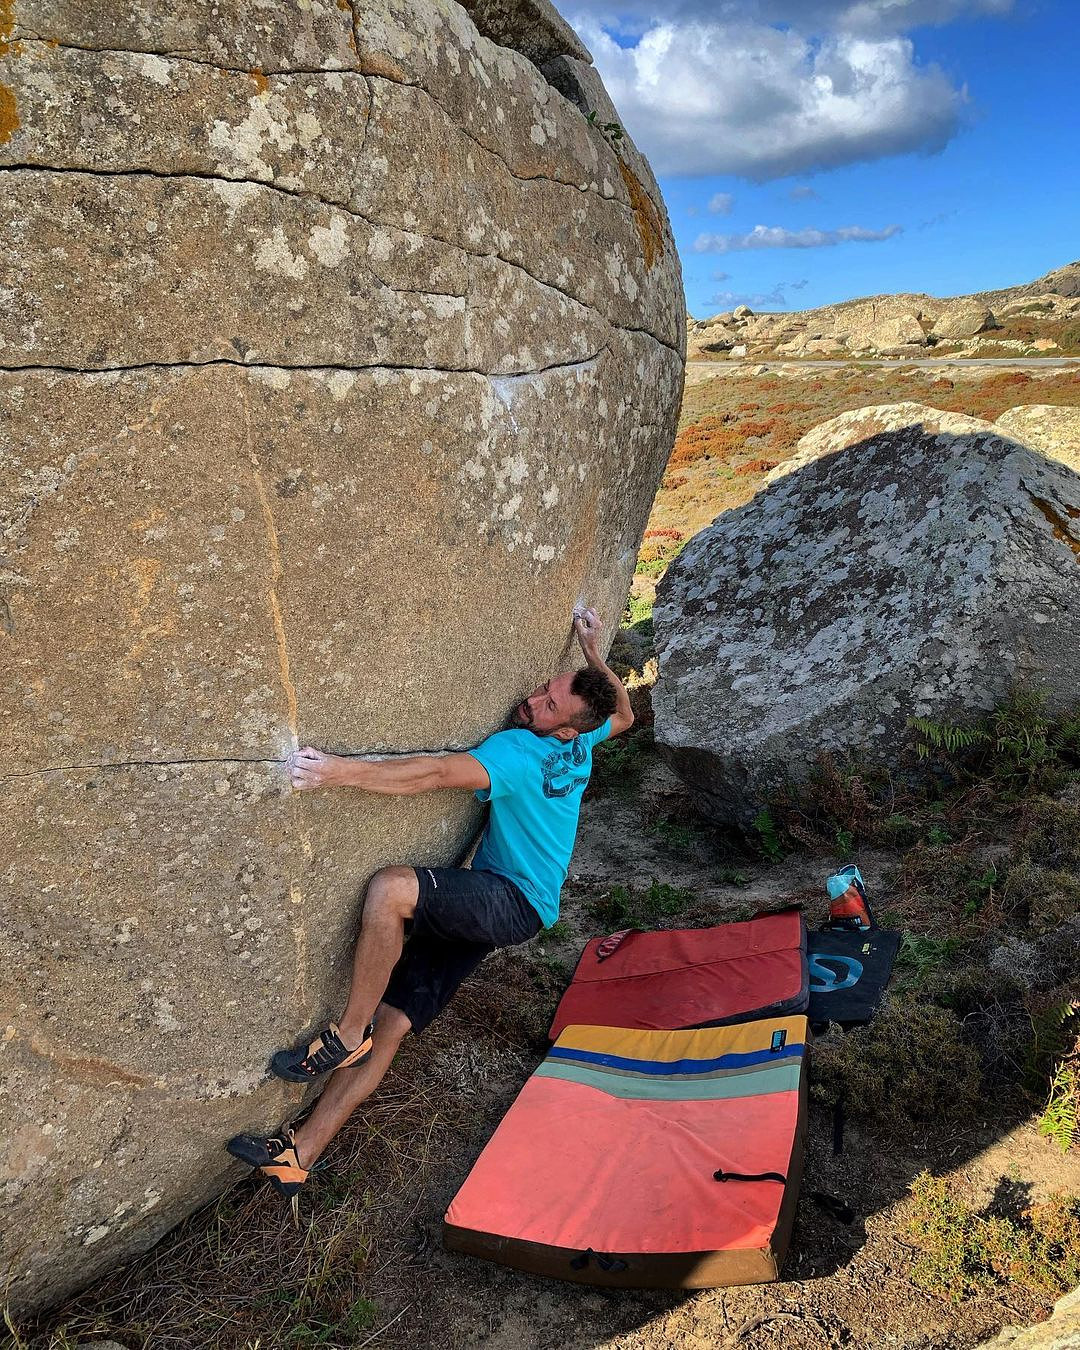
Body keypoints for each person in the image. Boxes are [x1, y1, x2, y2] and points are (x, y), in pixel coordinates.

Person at [226, 606, 634, 1197]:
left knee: (391, 890)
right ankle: (298, 1154)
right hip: (519, 908)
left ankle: (346, 1034)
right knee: (394, 1022)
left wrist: (337, 772)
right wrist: (593, 654)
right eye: (544, 688)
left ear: (567, 729)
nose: (533, 701)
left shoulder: (521, 753)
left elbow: (436, 773)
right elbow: (624, 713)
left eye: (549, 706)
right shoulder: (584, 740)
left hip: (508, 899)